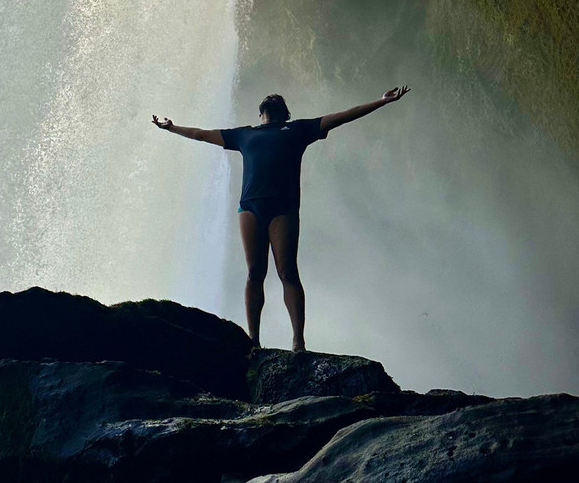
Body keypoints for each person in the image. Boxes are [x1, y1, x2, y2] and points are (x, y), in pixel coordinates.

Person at [152, 87, 410, 352]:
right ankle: (253, 341)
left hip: (282, 209)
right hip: (250, 207)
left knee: (287, 272)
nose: (271, 100)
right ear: (261, 113)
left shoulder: (298, 130)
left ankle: (298, 342)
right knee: (255, 272)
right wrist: (171, 128)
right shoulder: (244, 134)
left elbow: (342, 116)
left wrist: (381, 102)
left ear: (283, 114)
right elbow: (201, 135)